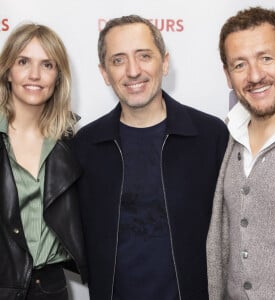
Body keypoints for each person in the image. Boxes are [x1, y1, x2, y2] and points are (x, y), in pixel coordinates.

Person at [72, 14, 228, 300]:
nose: (133, 71)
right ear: (104, 73)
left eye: (144, 56)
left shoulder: (210, 135)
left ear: (164, 63)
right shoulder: (85, 145)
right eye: (118, 60)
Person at [206, 6, 275, 299]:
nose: (255, 75)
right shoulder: (224, 136)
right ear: (227, 75)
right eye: (240, 65)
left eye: (266, 58)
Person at [0, 23, 87, 300]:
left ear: (58, 76)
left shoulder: (73, 142)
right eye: (23, 62)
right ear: (7, 71)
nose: (35, 75)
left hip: (50, 287)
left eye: (47, 64)